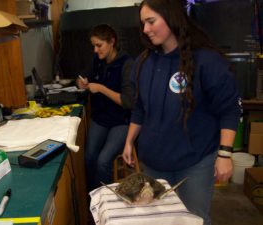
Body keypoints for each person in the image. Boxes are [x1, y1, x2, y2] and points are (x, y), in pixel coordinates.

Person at [122, 1, 241, 225]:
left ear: (172, 18)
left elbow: (229, 109)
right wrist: (129, 141)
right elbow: (139, 109)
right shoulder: (143, 62)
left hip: (195, 163)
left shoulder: (206, 61)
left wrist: (224, 155)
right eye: (143, 23)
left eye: (151, 21)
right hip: (154, 162)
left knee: (193, 220)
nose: (145, 29)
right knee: (160, 219)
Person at [77, 24, 134, 192]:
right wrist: (80, 82)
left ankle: (105, 201)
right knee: (88, 158)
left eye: (99, 45)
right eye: (93, 45)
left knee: (103, 160)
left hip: (121, 122)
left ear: (112, 42)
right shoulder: (97, 61)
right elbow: (82, 78)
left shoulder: (127, 64)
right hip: (100, 118)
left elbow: (128, 102)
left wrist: (100, 88)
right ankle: (93, 197)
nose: (95, 50)